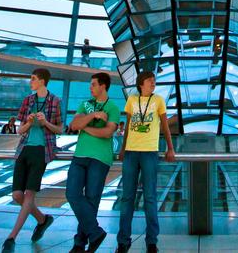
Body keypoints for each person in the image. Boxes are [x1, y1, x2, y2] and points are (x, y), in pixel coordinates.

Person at [2, 69, 62, 251]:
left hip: (42, 150)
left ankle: (11, 238)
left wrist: (45, 123)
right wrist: (28, 122)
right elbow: (20, 130)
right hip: (24, 149)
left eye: (34, 79)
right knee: (17, 195)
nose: (31, 82)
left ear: (43, 81)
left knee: (29, 194)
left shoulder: (55, 101)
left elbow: (60, 129)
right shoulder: (28, 100)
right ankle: (43, 220)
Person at [117, 71, 176, 253]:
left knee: (150, 197)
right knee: (127, 197)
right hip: (131, 152)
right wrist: (123, 147)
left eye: (154, 81)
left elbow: (165, 125)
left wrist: (170, 147)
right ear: (141, 83)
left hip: (150, 151)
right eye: (150, 80)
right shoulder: (132, 100)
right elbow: (127, 126)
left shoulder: (158, 100)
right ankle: (123, 242)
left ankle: (152, 241)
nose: (153, 83)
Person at [66, 73, 120, 253]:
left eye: (94, 84)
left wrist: (85, 127)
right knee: (72, 194)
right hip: (80, 156)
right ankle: (95, 232)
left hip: (100, 158)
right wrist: (93, 116)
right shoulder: (85, 104)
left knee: (91, 200)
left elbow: (107, 133)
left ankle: (79, 244)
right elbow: (74, 125)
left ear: (103, 86)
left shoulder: (113, 107)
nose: (91, 88)